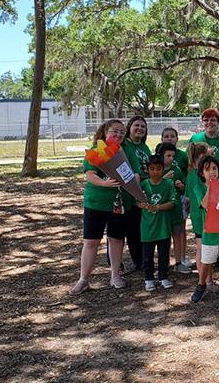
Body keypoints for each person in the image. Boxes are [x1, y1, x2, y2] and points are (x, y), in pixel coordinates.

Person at [70, 119, 130, 295]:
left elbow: (133, 172)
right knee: (91, 241)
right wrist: (104, 183)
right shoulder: (96, 151)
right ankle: (83, 279)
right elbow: (90, 174)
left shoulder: (125, 151)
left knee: (116, 239)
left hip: (119, 203)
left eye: (122, 132)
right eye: (114, 131)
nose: (118, 135)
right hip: (96, 202)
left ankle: (115, 275)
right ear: (105, 132)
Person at [190, 156, 219, 313]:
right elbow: (204, 204)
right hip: (209, 233)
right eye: (208, 169)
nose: (212, 172)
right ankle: (201, 285)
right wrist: (212, 186)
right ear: (202, 173)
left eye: (215, 168)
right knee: (206, 264)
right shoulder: (199, 187)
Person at [186, 142, 219, 295]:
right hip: (201, 216)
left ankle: (208, 280)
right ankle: (206, 281)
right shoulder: (195, 176)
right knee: (202, 248)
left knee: (204, 247)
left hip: (204, 215)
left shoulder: (193, 174)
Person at [139, 154, 176, 292]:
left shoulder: (168, 184)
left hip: (163, 227)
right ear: (147, 169)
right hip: (147, 227)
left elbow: (173, 202)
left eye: (159, 168)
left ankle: (163, 276)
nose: (156, 172)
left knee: (164, 254)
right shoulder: (143, 185)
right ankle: (148, 278)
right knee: (147, 256)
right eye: (152, 168)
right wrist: (141, 205)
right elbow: (135, 201)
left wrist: (158, 207)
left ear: (163, 169)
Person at [120, 115, 151, 273]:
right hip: (126, 192)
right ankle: (117, 262)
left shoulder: (145, 148)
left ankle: (140, 261)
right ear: (129, 128)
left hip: (143, 191)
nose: (139, 129)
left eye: (143, 127)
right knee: (125, 229)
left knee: (138, 229)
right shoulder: (124, 145)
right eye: (136, 126)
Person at [155, 142, 192, 275]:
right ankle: (162, 265)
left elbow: (184, 184)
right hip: (163, 210)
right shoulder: (156, 170)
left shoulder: (176, 169)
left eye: (173, 156)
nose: (171, 158)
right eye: (168, 155)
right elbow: (151, 186)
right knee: (163, 238)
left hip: (175, 208)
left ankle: (178, 262)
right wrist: (163, 178)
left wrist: (181, 185)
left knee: (177, 234)